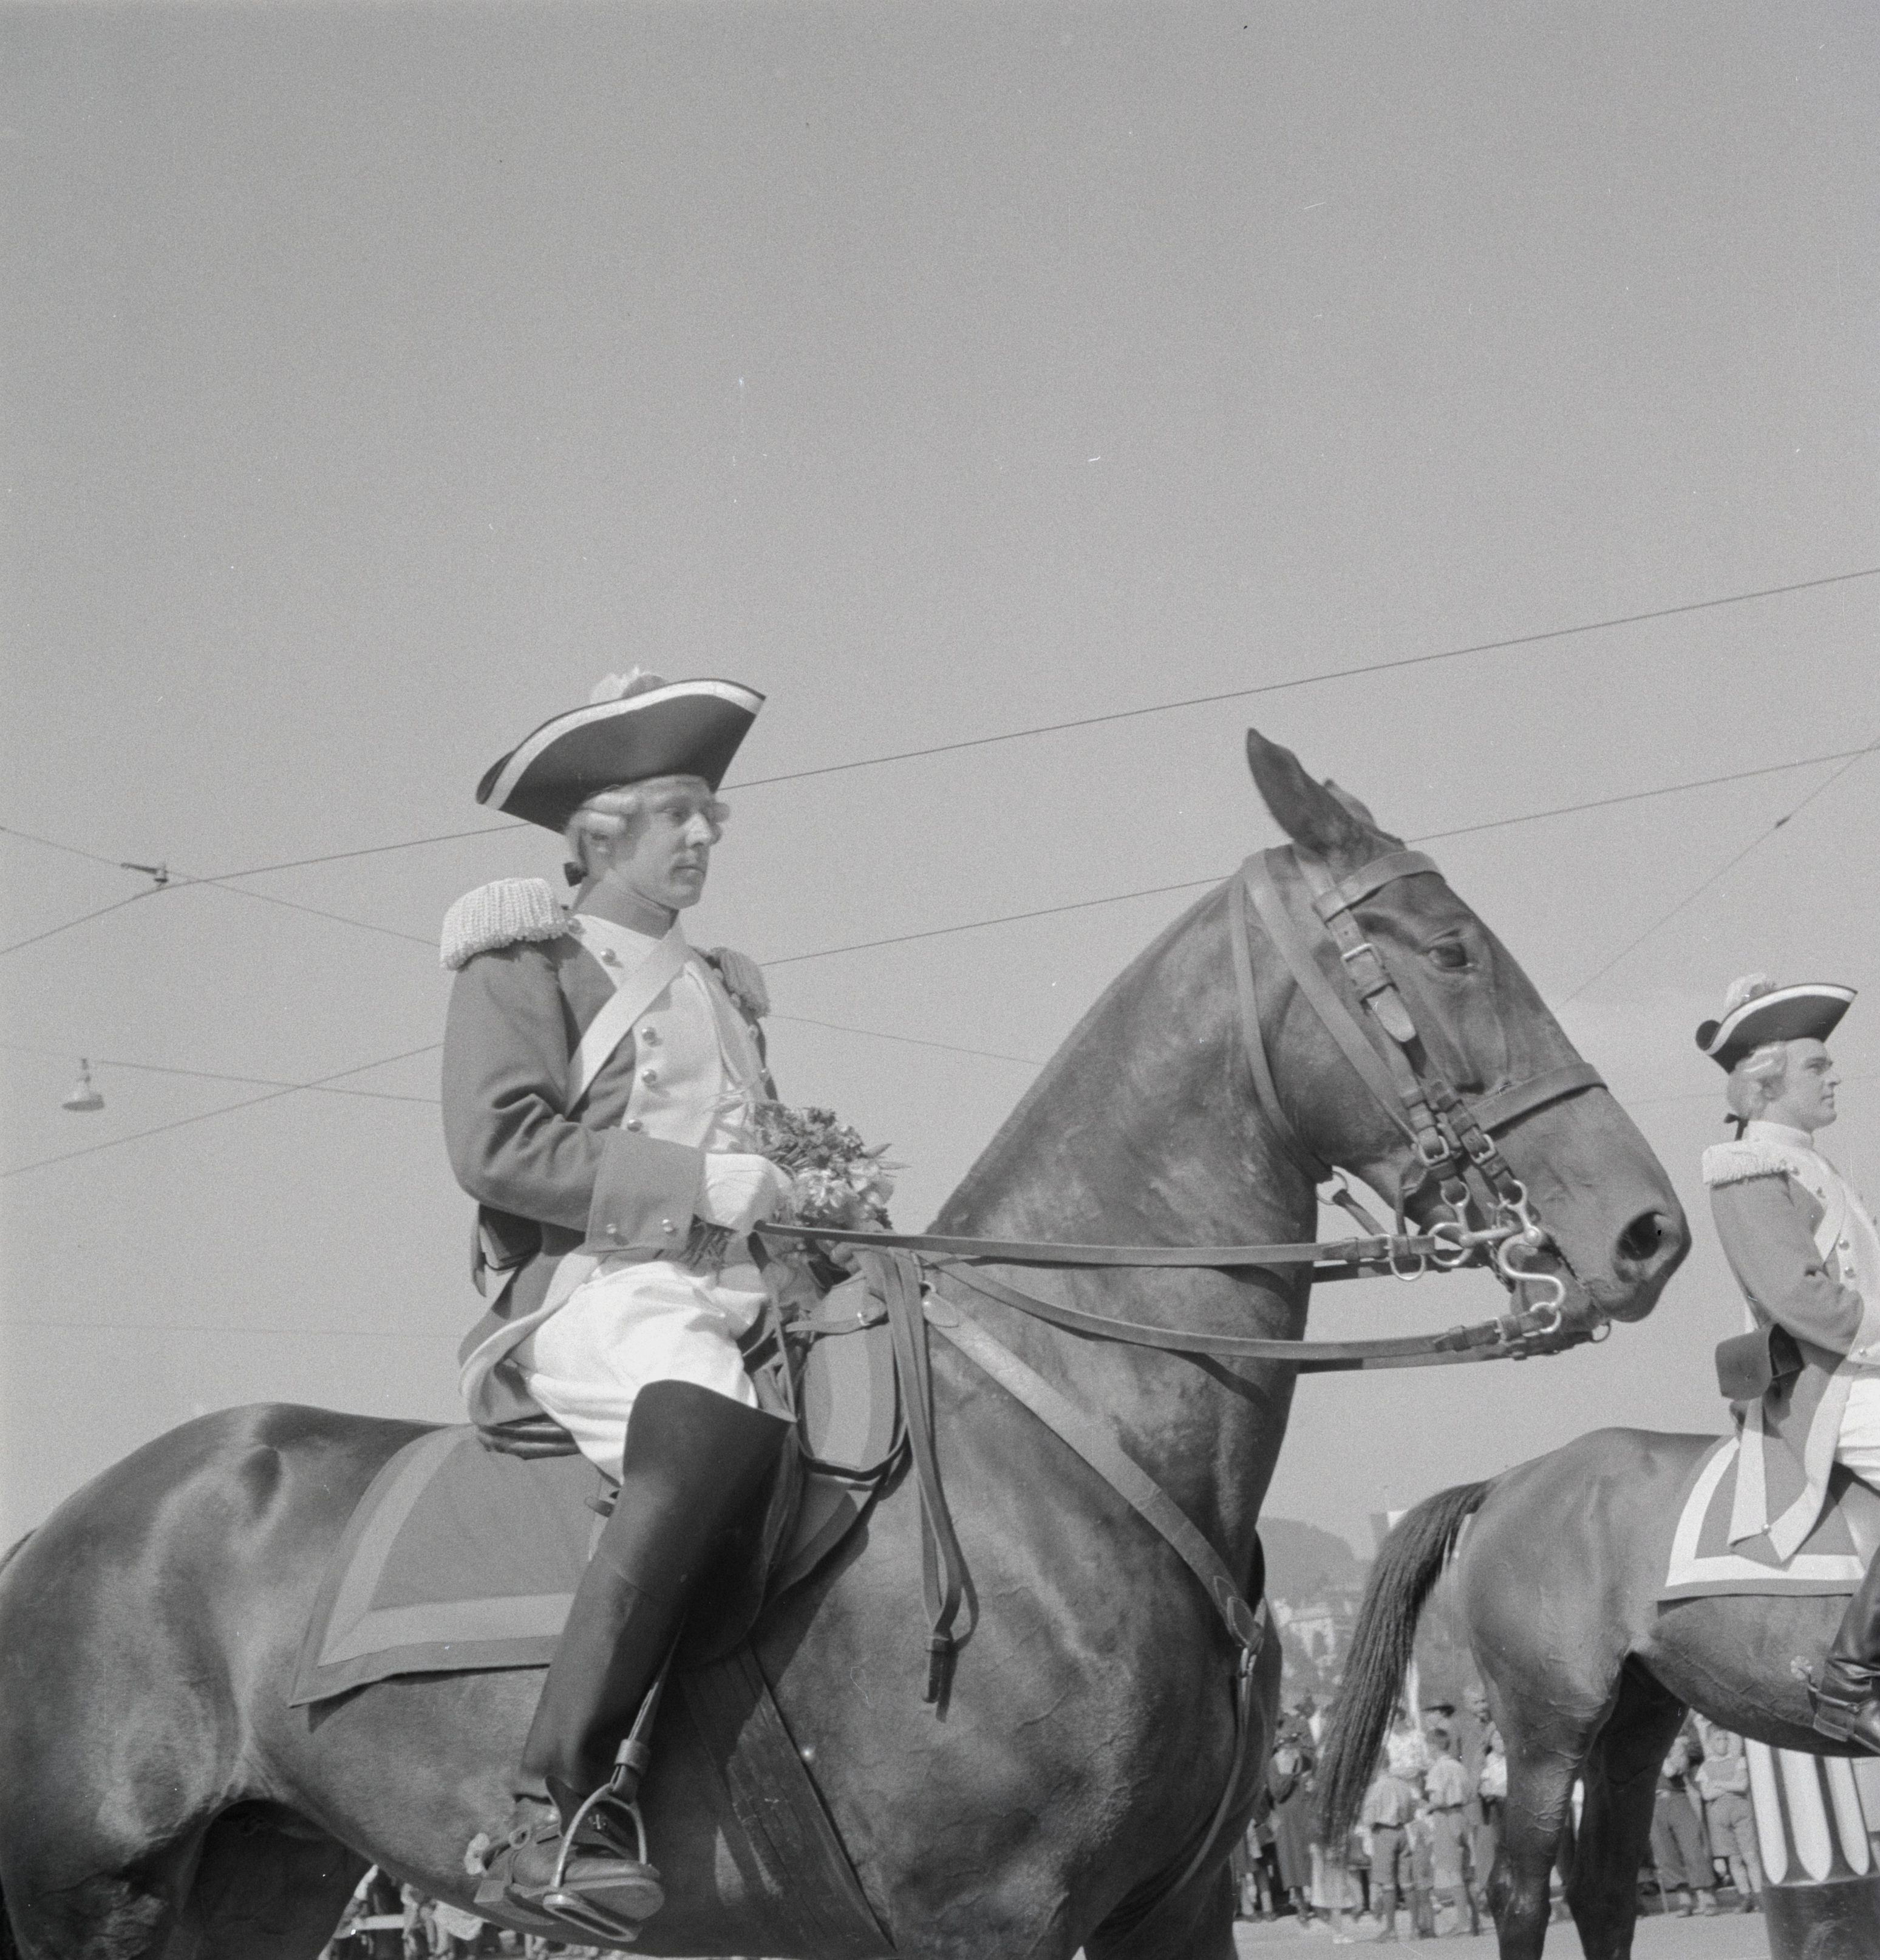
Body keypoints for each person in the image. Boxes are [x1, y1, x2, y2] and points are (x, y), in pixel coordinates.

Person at [441, 672, 799, 1929]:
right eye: (675, 815)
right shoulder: (522, 960)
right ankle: (556, 1807)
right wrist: (693, 1185)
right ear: (599, 834)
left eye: (711, 815)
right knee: (698, 1400)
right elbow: (497, 1146)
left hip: (742, 1283)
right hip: (597, 1288)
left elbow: (761, 1158)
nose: (704, 836)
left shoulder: (725, 983)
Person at [1697, 974, 1880, 1747]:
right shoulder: (1746, 1168)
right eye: (1817, 1066)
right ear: (1768, 1081)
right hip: (1826, 1385)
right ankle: (1851, 1682)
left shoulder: (1812, 1164)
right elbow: (1800, 1299)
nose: (1834, 1076)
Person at [1693, 1724, 1763, 1910]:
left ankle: (1759, 1895)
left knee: (1750, 1855)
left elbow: (1742, 1785)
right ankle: (1745, 1896)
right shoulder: (1706, 1767)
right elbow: (1707, 1794)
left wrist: (1719, 1784)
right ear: (1710, 1743)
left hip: (1741, 1813)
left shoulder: (1738, 1761)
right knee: (1734, 1859)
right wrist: (1730, 1785)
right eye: (1718, 1739)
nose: (1723, 1743)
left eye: (1725, 1739)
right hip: (1720, 1819)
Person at [1649, 1730, 1715, 1917]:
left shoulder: (1675, 1744)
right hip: (1652, 1803)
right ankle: (1684, 1899)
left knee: (1692, 1846)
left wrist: (1664, 1753)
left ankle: (1707, 1896)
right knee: (1664, 1852)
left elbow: (1673, 1769)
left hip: (1676, 1798)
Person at [1422, 1728, 1479, 1936]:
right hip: (1462, 1815)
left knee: (1453, 1873)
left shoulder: (1438, 1769)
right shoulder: (1458, 1766)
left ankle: (1463, 1923)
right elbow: (1471, 1794)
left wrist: (1425, 1807)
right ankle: (1475, 1922)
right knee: (1466, 1872)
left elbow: (1438, 1799)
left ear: (1433, 1747)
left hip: (1445, 1817)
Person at [1360, 1755, 1421, 1942]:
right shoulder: (1402, 1785)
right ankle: (1415, 1928)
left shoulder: (1376, 1788)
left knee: (1387, 1883)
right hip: (1402, 1831)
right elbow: (1411, 1811)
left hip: (1384, 1832)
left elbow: (1368, 1818)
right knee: (1407, 1881)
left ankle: (1391, 1930)